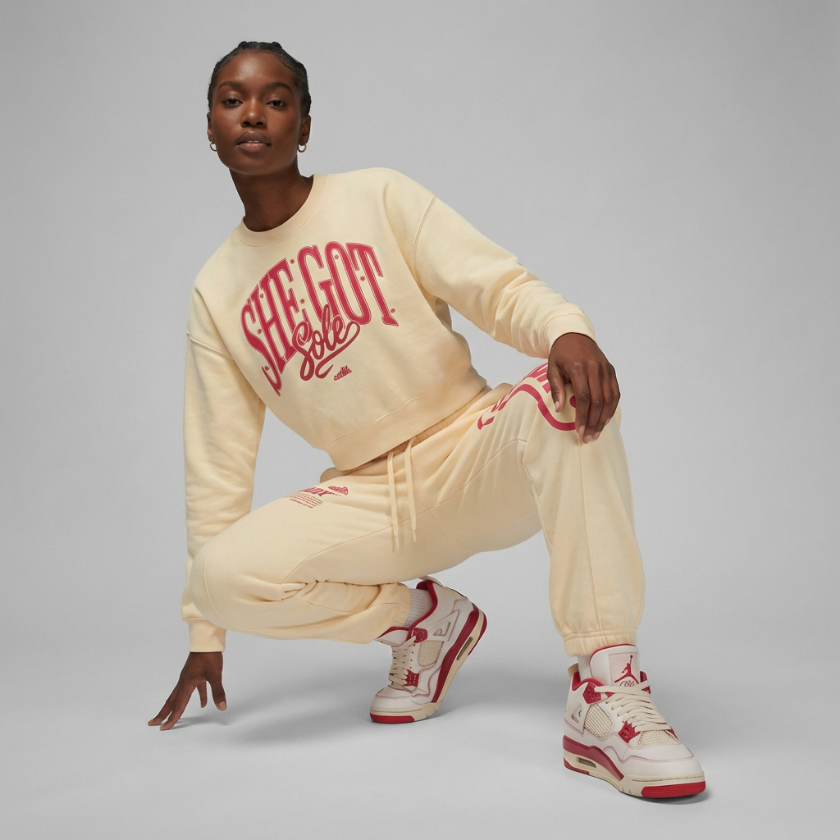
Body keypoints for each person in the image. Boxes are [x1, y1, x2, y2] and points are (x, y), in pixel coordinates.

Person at [148, 41, 705, 800]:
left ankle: (605, 690)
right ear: (210, 126)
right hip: (369, 499)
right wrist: (206, 633)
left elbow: (493, 284)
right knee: (218, 578)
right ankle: (424, 622)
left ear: (304, 125)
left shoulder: (377, 197)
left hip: (473, 453)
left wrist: (563, 329)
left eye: (276, 100)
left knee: (564, 397)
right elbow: (217, 461)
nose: (253, 114)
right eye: (231, 100)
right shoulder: (215, 292)